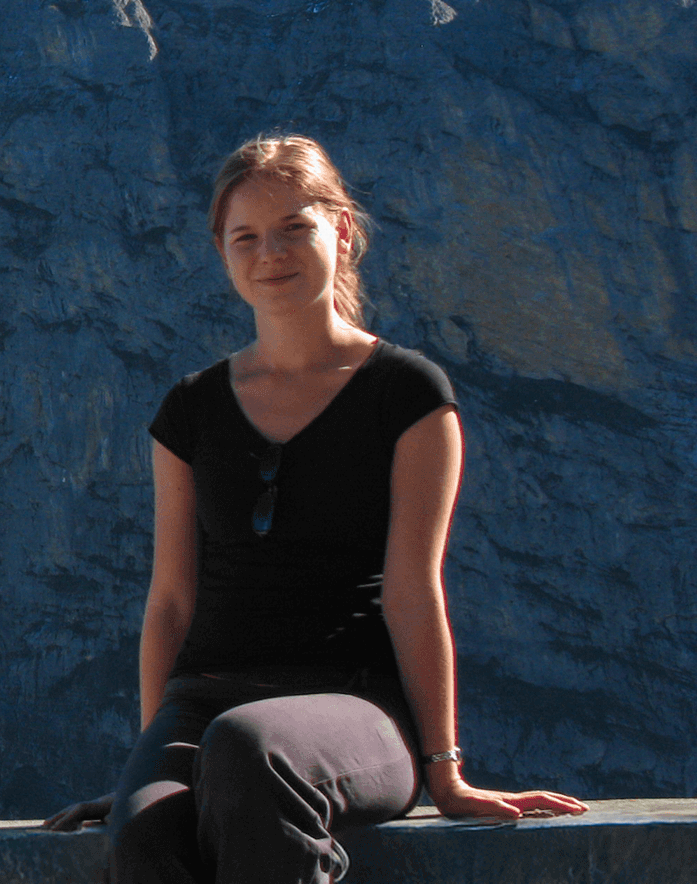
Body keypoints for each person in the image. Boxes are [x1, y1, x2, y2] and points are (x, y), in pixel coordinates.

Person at [41, 134, 586, 882]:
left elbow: (412, 591)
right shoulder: (190, 410)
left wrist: (445, 770)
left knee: (248, 746)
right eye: (247, 237)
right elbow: (170, 599)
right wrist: (149, 769)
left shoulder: (408, 395)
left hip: (356, 709)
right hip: (204, 702)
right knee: (148, 835)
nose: (271, 252)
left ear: (342, 230)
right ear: (223, 254)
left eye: (294, 226)